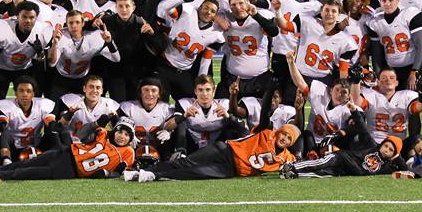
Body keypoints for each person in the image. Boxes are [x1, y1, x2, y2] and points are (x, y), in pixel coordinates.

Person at [126, 88, 298, 182]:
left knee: (193, 173)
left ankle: (153, 175)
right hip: (225, 151)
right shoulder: (267, 133)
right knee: (187, 162)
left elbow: (302, 165)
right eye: (284, 134)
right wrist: (271, 87)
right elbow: (264, 114)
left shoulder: (287, 158)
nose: (284, 139)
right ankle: (144, 171)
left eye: (289, 139)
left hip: (231, 170)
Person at [0, 116, 136, 182]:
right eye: (120, 131)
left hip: (72, 169)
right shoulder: (104, 134)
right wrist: (97, 123)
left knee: (29, 173)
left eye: (126, 135)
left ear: (130, 139)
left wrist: (106, 174)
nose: (122, 136)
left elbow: (119, 170)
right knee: (27, 163)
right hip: (66, 152)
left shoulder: (128, 152)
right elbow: (82, 134)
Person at [253, 0, 322, 103]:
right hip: (280, 53)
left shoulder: (314, 5)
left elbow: (332, 17)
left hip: (301, 57)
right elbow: (255, 1)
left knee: (297, 95)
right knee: (278, 93)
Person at [280, 108, 407, 179]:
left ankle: (294, 175)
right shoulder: (371, 145)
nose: (386, 150)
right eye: (386, 146)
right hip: (341, 157)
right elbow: (362, 129)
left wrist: (397, 157)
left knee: (322, 174)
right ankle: (293, 166)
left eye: (391, 150)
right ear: (382, 144)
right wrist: (354, 112)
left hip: (346, 171)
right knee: (320, 163)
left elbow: (405, 170)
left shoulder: (387, 167)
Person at [153, 0, 224, 101]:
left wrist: (201, 81)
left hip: (184, 71)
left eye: (213, 11)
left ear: (215, 16)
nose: (208, 12)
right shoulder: (188, 11)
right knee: (159, 102)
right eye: (206, 8)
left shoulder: (216, 34)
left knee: (190, 104)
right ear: (199, 7)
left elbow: (206, 60)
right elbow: (166, 8)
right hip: (164, 64)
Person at [279, 0, 357, 87]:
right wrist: (277, 11)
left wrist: (344, 87)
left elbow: (343, 71)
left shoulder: (346, 41)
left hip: (323, 80)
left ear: (339, 15)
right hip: (299, 74)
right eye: (327, 10)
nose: (329, 14)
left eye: (334, 11)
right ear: (321, 11)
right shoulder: (307, 22)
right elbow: (284, 25)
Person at [214, 0, 278, 99]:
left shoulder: (260, 16)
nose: (238, 7)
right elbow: (204, 10)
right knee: (221, 110)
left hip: (260, 78)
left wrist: (256, 15)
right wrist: (216, 18)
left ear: (248, 3)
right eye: (233, 5)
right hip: (232, 78)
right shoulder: (225, 19)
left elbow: (274, 32)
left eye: (241, 3)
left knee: (261, 113)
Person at [46, 10, 119, 100]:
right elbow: (52, 63)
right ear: (66, 24)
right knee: (54, 106)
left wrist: (109, 42)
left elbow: (116, 58)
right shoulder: (61, 36)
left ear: (83, 23)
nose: (74, 26)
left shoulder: (95, 37)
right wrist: (55, 43)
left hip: (82, 79)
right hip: (61, 77)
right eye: (71, 23)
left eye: (77, 22)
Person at [0, 0, 52, 100]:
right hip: (2, 70)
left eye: (31, 17)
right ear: (17, 16)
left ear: (36, 18)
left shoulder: (42, 32)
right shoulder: (3, 28)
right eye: (24, 17)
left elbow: (43, 64)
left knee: (31, 98)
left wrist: (39, 52)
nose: (28, 21)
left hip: (25, 70)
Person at [365, 0, 422, 90]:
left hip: (412, 66)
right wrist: (379, 75)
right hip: (391, 70)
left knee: (414, 101)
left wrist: (414, 72)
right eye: (384, 1)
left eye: (391, 0)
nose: (387, 4)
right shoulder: (375, 23)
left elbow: (421, 46)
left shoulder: (409, 14)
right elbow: (376, 54)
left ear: (398, 1)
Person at [173, 74, 245, 156]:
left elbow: (242, 127)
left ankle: (234, 155)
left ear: (213, 91)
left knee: (232, 125)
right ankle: (180, 153)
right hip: (191, 145)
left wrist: (228, 117)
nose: (204, 94)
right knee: (179, 123)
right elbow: (169, 126)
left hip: (218, 146)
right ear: (195, 91)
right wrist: (184, 116)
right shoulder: (185, 104)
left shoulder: (224, 104)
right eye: (200, 90)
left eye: (208, 90)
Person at [118, 78, 181, 159]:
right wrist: (128, 134)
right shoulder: (128, 107)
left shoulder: (167, 109)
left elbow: (176, 126)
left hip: (160, 149)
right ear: (140, 93)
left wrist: (169, 132)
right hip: (133, 149)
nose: (150, 94)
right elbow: (119, 128)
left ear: (159, 94)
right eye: (146, 90)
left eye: (154, 90)